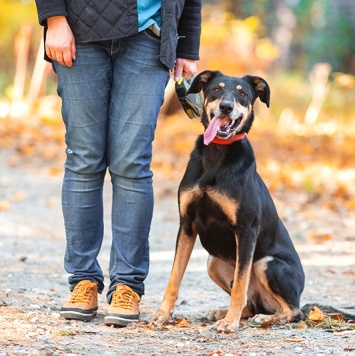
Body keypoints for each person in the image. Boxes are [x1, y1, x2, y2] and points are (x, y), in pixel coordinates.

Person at [34, 0, 201, 327]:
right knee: (84, 159)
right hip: (78, 29)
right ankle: (83, 280)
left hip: (150, 36)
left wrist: (187, 44)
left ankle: (127, 285)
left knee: (132, 162)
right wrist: (53, 18)